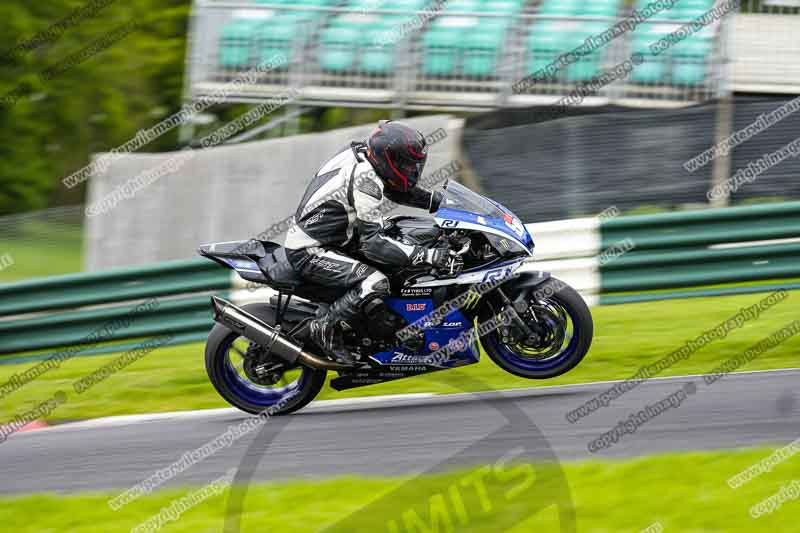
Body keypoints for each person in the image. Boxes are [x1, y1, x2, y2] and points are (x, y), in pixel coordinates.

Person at [283, 120, 462, 363]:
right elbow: (373, 244)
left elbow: (396, 189)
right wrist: (428, 256)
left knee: (400, 236)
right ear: (389, 160)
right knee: (375, 282)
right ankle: (324, 329)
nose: (412, 169)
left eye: (415, 164)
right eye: (407, 164)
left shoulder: (367, 157)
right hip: (311, 249)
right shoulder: (366, 181)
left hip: (339, 237)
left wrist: (442, 203)